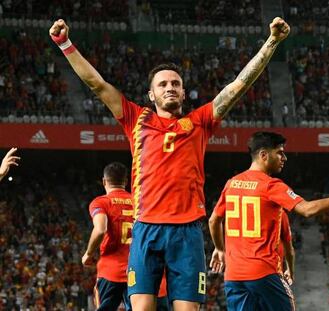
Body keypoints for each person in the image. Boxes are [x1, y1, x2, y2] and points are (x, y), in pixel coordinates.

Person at [49, 16, 290, 310]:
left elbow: (237, 86)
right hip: (146, 229)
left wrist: (272, 42)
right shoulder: (136, 120)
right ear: (151, 94)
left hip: (186, 232)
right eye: (162, 84)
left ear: (184, 92)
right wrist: (65, 44)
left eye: (176, 83)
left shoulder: (199, 122)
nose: (170, 87)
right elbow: (96, 84)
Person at [209, 131, 329, 311]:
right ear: (264, 155)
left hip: (234, 276)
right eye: (280, 152)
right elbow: (307, 210)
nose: (284, 157)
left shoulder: (231, 184)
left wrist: (219, 248)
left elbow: (214, 220)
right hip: (263, 272)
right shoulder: (271, 185)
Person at [82, 162, 167, 310]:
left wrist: (88, 253)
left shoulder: (101, 202)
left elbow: (101, 229)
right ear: (126, 181)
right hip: (137, 269)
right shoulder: (140, 202)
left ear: (104, 181)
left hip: (110, 271)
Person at [278, 211, 294, 285]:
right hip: (270, 272)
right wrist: (290, 271)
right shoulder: (279, 213)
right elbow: (307, 210)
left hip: (240, 275)